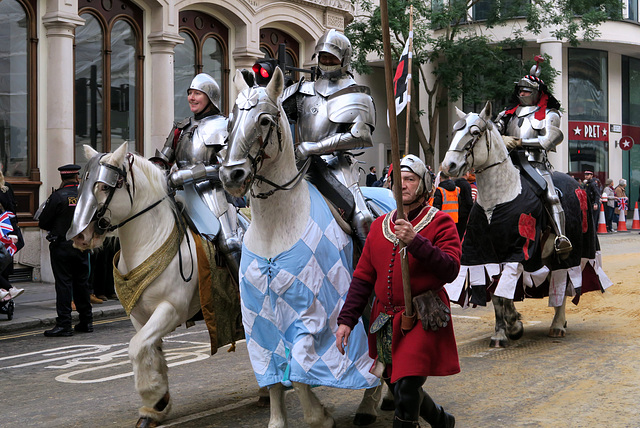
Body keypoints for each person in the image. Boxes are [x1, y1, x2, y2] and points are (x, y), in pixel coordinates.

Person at [336, 155, 460, 428]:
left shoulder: (440, 223)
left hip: (422, 317)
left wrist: (416, 242)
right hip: (386, 322)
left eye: (409, 179)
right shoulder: (378, 226)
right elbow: (363, 278)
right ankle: (441, 420)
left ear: (424, 185)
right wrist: (346, 320)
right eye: (397, 180)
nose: (402, 185)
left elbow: (451, 269)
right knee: (397, 385)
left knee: (405, 388)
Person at [283, 29, 376, 247]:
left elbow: (360, 136)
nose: (326, 60)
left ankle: (370, 269)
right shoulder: (301, 90)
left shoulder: (356, 94)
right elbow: (274, 116)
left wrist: (315, 147)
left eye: (331, 56)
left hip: (336, 164)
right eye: (323, 56)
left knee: (363, 218)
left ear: (344, 58)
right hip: (299, 162)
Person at [151, 73, 243, 280]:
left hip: (213, 191)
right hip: (179, 191)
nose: (191, 98)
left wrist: (187, 175)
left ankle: (246, 295)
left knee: (230, 243)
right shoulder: (180, 128)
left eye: (197, 94)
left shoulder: (224, 126)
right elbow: (164, 160)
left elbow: (225, 169)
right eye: (190, 93)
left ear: (210, 98)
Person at [495, 56, 571, 257]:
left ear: (537, 92)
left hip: (535, 163)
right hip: (507, 163)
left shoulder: (550, 114)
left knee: (551, 196)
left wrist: (519, 142)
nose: (522, 93)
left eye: (527, 90)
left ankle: (561, 238)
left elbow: (547, 141)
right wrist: (500, 136)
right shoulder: (507, 114)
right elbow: (493, 132)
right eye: (520, 90)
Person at [39, 164, 93, 337]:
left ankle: (64, 324)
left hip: (62, 246)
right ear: (77, 177)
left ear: (62, 178)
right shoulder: (85, 196)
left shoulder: (57, 196)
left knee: (64, 284)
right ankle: (86, 321)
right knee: (81, 283)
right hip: (82, 245)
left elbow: (43, 222)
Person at [0, 169, 24, 301]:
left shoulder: (6, 187)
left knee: (4, 263)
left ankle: (6, 293)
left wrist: (13, 232)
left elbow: (11, 211)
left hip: (5, 232)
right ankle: (7, 289)